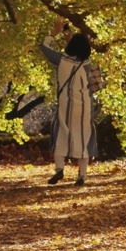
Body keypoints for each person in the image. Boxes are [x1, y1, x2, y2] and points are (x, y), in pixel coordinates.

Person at [40, 19, 98, 186]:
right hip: (85, 106)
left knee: (61, 134)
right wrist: (71, 39)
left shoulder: (61, 60)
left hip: (66, 104)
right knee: (84, 137)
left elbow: (45, 48)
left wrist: (54, 32)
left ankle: (59, 170)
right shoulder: (87, 64)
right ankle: (82, 176)